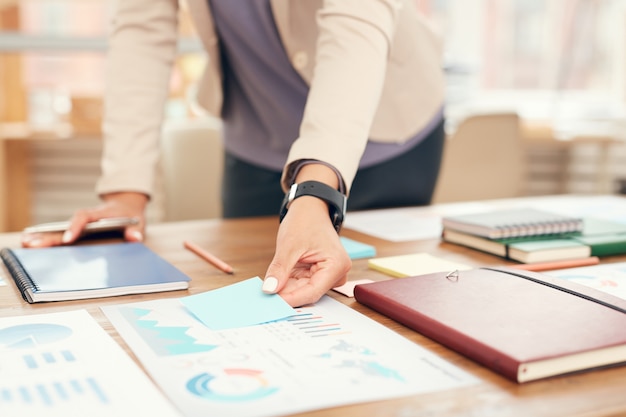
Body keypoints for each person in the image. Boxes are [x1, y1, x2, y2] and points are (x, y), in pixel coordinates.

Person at [21, 0, 446, 307]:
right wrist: (125, 194)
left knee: (376, 303)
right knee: (260, 289)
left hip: (383, 127)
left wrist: (315, 191)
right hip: (257, 133)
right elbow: (142, 32)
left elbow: (355, 23)